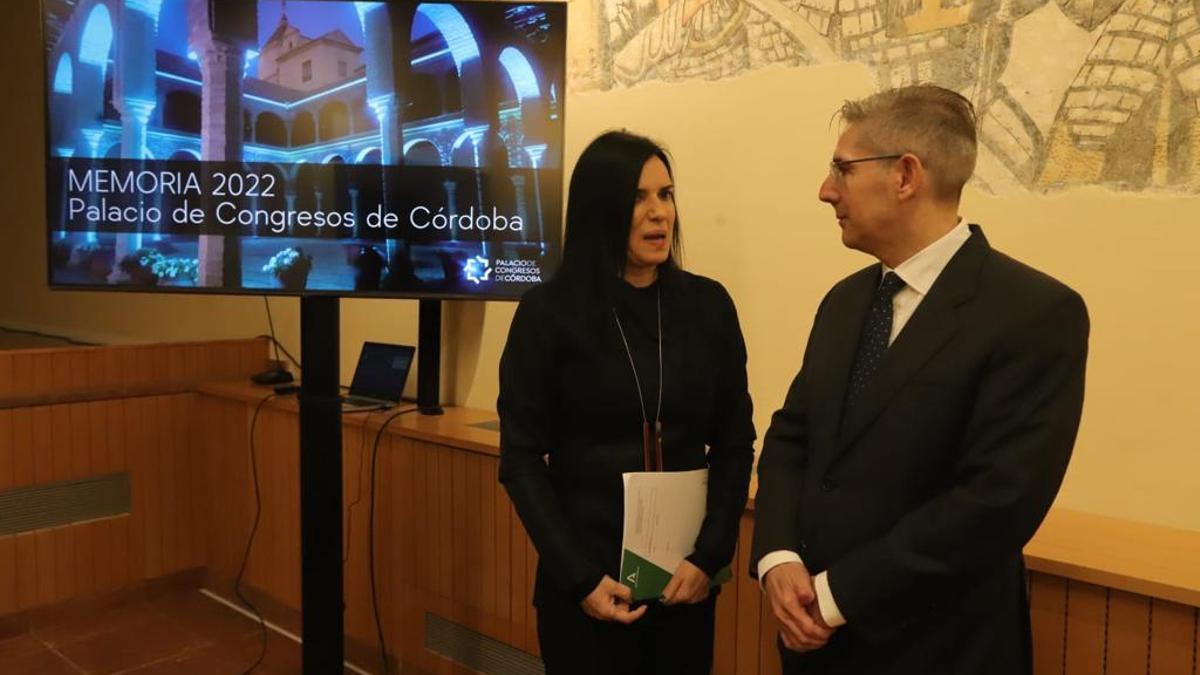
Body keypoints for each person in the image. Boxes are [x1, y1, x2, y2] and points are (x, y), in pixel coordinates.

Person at [750, 84, 1089, 675]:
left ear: (905, 176)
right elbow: (792, 438)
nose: (826, 190)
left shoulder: (1035, 312)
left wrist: (834, 596)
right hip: (814, 645)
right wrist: (777, 557)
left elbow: (996, 503)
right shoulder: (846, 303)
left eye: (842, 169)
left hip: (938, 648)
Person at [498, 130, 755, 674]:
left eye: (666, 194)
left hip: (685, 583)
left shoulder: (708, 307)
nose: (659, 213)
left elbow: (735, 442)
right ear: (600, 208)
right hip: (587, 587)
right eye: (639, 197)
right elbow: (520, 460)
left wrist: (710, 556)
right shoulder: (548, 314)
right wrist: (579, 578)